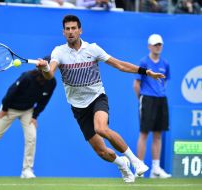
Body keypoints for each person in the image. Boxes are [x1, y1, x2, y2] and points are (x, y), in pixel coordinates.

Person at [36, 15, 166, 182]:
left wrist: (146, 72)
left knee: (101, 129)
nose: (71, 32)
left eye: (74, 28)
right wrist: (45, 67)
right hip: (78, 107)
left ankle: (136, 162)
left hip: (97, 98)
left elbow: (119, 64)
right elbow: (49, 75)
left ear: (80, 30)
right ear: (63, 32)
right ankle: (122, 164)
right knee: (101, 151)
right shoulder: (58, 52)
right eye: (67, 29)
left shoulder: (93, 49)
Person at [0, 64, 57, 178]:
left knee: (32, 138)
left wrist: (35, 116)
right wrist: (4, 109)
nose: (52, 71)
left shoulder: (52, 83)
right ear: (41, 69)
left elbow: (44, 101)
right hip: (9, 108)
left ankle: (27, 170)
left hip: (27, 111)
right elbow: (11, 92)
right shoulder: (27, 77)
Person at [133, 34, 171, 178]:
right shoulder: (143, 62)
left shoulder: (165, 64)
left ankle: (155, 169)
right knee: (144, 133)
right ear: (149, 46)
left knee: (158, 134)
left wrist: (159, 92)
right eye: (155, 44)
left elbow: (165, 82)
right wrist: (142, 98)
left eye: (160, 44)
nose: (158, 47)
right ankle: (140, 168)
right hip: (147, 99)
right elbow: (136, 85)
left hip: (161, 100)